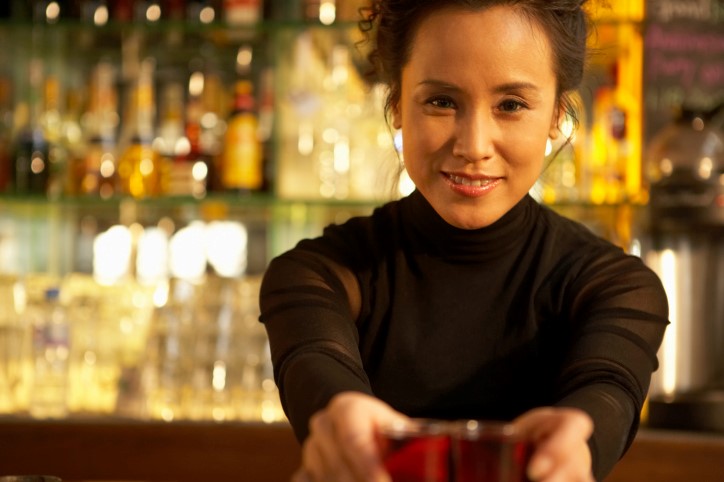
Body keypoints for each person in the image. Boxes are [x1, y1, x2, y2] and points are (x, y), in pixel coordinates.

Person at [259, 0, 669, 481]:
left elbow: (607, 390)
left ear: (557, 114)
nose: (473, 145)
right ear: (396, 104)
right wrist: (339, 421)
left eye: (511, 105)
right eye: (441, 101)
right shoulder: (317, 274)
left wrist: (578, 439)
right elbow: (316, 367)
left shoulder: (616, 287)